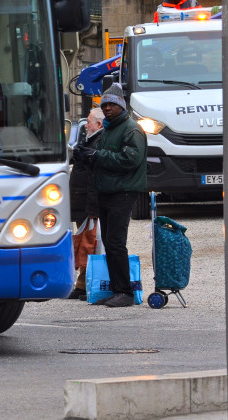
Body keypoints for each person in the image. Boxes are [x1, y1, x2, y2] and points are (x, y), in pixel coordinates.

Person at [73, 84, 147, 307]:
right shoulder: (109, 129)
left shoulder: (131, 130)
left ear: (121, 106)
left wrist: (97, 155)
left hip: (122, 193)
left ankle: (124, 292)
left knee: (116, 243)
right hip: (107, 191)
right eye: (105, 105)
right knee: (109, 242)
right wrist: (85, 155)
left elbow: (130, 159)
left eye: (112, 105)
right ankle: (117, 289)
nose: (107, 108)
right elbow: (103, 158)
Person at [68, 107, 105, 300]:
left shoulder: (100, 140)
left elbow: (94, 176)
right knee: (84, 242)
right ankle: (83, 284)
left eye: (89, 121)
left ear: (98, 124)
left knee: (91, 244)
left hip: (89, 201)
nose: (86, 125)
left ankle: (91, 284)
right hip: (82, 199)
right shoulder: (91, 139)